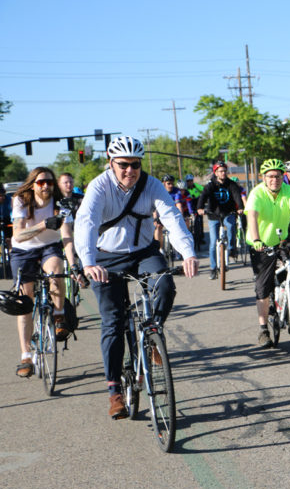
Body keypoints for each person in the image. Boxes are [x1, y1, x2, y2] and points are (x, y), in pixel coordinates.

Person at [74, 136, 198, 419]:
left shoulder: (151, 185)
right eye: (123, 165)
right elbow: (86, 224)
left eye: (135, 165)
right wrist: (89, 262)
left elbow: (171, 218)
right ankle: (114, 390)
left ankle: (153, 333)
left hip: (143, 252)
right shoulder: (98, 187)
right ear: (110, 162)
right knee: (113, 322)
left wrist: (188, 253)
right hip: (105, 257)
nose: (130, 170)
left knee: (165, 285)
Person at [10, 167, 84, 377]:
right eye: (41, 182)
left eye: (49, 182)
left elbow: (67, 236)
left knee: (56, 271)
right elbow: (17, 235)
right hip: (23, 250)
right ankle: (26, 356)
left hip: (49, 248)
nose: (45, 186)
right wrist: (44, 225)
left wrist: (74, 264)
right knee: (25, 303)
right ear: (33, 184)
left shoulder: (61, 203)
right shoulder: (21, 200)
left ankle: (59, 315)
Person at [244, 158, 290, 347]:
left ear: (283, 177)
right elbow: (252, 217)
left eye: (278, 176)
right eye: (270, 176)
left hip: (282, 241)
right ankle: (263, 329)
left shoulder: (288, 191)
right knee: (263, 287)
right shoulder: (257, 193)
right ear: (264, 178)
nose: (274, 180)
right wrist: (256, 240)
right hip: (261, 244)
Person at [196, 161, 244, 279]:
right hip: (213, 215)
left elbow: (237, 196)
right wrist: (200, 208)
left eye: (224, 171)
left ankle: (232, 249)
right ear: (216, 173)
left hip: (228, 213)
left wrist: (240, 207)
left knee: (232, 227)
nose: (223, 173)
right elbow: (203, 196)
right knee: (213, 243)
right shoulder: (211, 185)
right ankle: (213, 268)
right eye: (220, 171)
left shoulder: (231, 184)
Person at [184, 173, 205, 250]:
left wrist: (202, 196)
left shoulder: (196, 186)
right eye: (188, 181)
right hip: (190, 204)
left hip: (197, 204)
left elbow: (203, 190)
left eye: (191, 181)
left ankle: (201, 237)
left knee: (200, 220)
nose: (190, 182)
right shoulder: (186, 189)